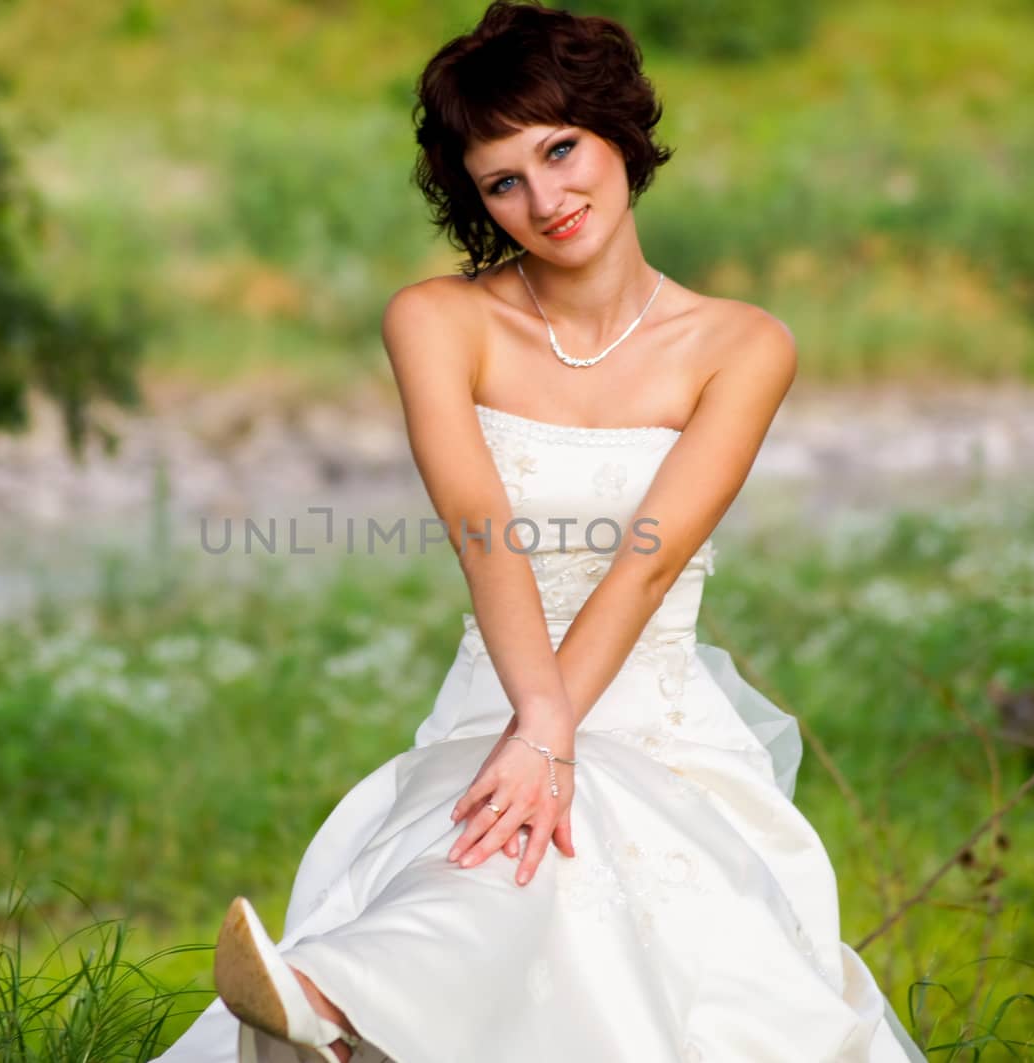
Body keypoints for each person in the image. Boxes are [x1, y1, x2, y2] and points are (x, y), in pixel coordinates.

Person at [153, 2, 927, 1060]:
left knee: (581, 815)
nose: (545, 198)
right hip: (492, 695)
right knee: (515, 828)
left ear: (616, 132)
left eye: (560, 150)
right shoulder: (436, 321)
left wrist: (553, 738)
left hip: (659, 721)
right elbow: (483, 531)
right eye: (502, 180)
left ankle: (337, 1008)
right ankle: (337, 1003)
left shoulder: (742, 344)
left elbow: (647, 564)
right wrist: (529, 726)